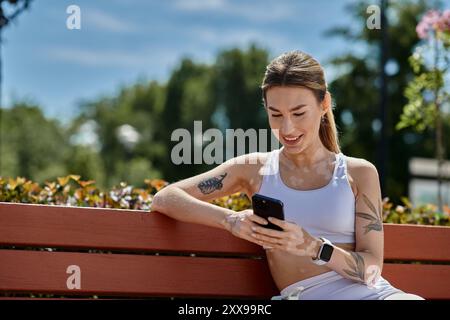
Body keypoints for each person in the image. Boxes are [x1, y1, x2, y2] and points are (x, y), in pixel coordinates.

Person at [151, 50, 424, 300]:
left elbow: (372, 269)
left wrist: (313, 247)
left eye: (298, 113)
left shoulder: (359, 172)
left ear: (324, 103)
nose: (287, 127)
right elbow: (165, 198)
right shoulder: (253, 169)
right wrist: (230, 220)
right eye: (276, 115)